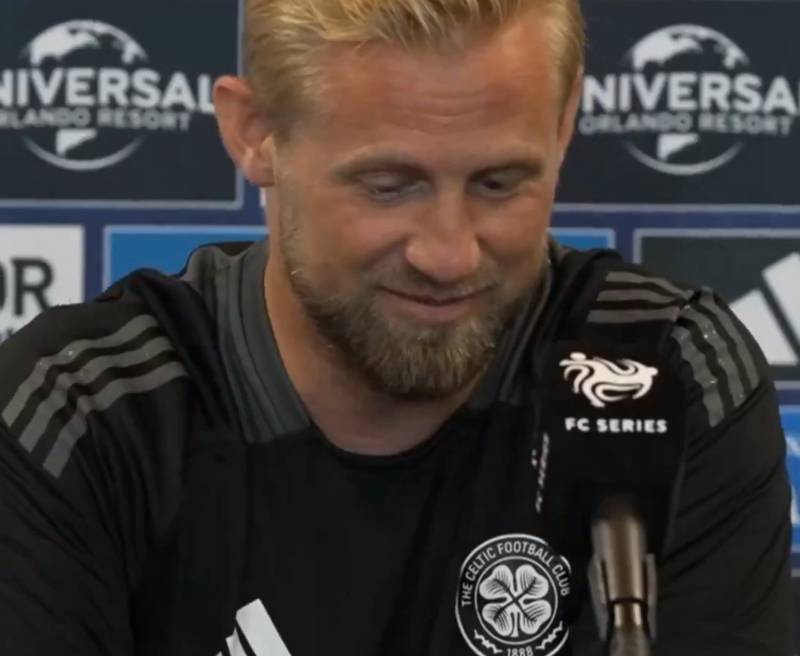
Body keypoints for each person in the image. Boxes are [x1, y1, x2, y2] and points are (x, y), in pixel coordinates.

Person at [0, 0, 791, 654]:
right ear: (255, 132)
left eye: (498, 183)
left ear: (564, 123)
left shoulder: (660, 371)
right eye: (388, 186)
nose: (448, 254)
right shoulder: (83, 413)